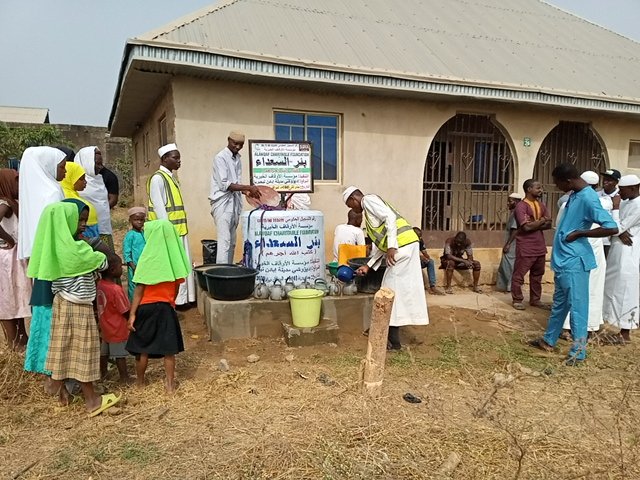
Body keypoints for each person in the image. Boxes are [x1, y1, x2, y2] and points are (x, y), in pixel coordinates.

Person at [27, 201, 120, 415]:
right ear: (66, 223)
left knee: (63, 347)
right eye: (79, 220)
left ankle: (58, 387)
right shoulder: (78, 250)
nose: (83, 225)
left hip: (61, 303)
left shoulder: (53, 248)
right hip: (79, 306)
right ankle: (92, 401)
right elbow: (104, 263)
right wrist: (94, 248)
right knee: (84, 351)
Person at [528, 164, 617, 365]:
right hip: (564, 261)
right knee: (560, 304)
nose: (557, 187)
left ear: (567, 181)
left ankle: (578, 351)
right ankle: (548, 340)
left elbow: (611, 227)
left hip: (575, 261)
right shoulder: (575, 195)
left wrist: (580, 233)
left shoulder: (588, 198)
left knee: (578, 307)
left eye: (558, 183)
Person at [342, 186, 428, 350]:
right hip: (404, 246)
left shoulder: (368, 200)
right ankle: (391, 336)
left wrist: (392, 247)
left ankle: (392, 339)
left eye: (350, 205)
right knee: (395, 291)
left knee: (389, 291)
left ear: (354, 199)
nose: (351, 209)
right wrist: (368, 266)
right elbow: (382, 244)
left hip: (402, 247)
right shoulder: (369, 213)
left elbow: (390, 217)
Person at [126, 219, 190, 393]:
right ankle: (169, 385)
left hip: (145, 308)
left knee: (142, 348)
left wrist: (132, 314)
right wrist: (170, 303)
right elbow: (176, 288)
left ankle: (140, 382)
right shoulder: (173, 260)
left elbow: (139, 289)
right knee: (169, 349)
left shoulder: (147, 259)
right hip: (165, 308)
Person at [560, 171, 611, 338]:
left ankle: (567, 327)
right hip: (592, 252)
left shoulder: (570, 202)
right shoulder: (604, 203)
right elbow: (612, 227)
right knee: (593, 289)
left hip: (575, 251)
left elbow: (560, 227)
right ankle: (589, 327)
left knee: (572, 289)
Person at [147, 143, 195, 307]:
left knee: (183, 263)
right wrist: (167, 232)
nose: (179, 161)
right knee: (175, 265)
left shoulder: (170, 178)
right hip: (170, 232)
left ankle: (185, 298)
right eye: (175, 158)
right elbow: (160, 208)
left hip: (179, 230)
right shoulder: (158, 179)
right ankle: (178, 300)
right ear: (164, 159)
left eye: (179, 158)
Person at [209, 131, 261, 264]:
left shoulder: (237, 158)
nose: (238, 147)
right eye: (235, 143)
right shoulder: (220, 158)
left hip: (234, 203)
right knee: (224, 241)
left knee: (232, 242)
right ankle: (221, 272)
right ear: (228, 140)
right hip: (222, 203)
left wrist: (247, 192)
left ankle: (229, 270)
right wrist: (248, 187)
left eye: (241, 145)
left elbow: (236, 183)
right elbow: (224, 184)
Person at [602, 174, 640, 343]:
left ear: (633, 188)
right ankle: (608, 322)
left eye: (622, 190)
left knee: (626, 289)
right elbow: (612, 225)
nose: (619, 193)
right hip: (617, 250)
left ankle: (625, 332)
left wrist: (617, 226)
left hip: (629, 252)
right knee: (611, 288)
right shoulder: (624, 202)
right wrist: (618, 231)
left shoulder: (638, 205)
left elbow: (618, 227)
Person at [0, 169, 31, 351]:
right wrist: (9, 239)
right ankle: (13, 342)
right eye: (16, 181)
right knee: (8, 298)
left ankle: (21, 337)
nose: (20, 185)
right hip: (7, 258)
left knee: (17, 297)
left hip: (14, 257)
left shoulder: (13, 202)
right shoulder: (5, 203)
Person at [17, 146, 66, 260]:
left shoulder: (30, 194)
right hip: (51, 253)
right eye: (62, 167)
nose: (65, 171)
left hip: (35, 253)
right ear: (48, 167)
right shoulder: (53, 193)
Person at [511, 179, 552, 310]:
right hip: (526, 246)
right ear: (529, 189)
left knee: (537, 275)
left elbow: (549, 224)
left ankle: (535, 299)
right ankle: (517, 299)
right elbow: (526, 227)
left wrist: (535, 223)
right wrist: (542, 220)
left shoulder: (541, 204)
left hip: (540, 246)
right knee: (519, 275)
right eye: (538, 188)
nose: (541, 190)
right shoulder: (521, 206)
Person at [97, 253, 131, 383]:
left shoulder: (100, 285)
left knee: (104, 352)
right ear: (112, 270)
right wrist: (132, 319)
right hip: (117, 327)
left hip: (105, 326)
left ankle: (103, 373)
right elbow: (125, 310)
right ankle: (124, 377)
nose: (121, 269)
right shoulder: (116, 289)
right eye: (120, 266)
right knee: (120, 355)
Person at [75, 146, 114, 251]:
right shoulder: (78, 182)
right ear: (86, 162)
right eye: (97, 164)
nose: (100, 167)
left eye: (101, 164)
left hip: (104, 228)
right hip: (87, 229)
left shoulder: (99, 179)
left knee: (107, 255)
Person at [59, 161, 100, 238]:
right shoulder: (65, 197)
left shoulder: (74, 194)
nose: (85, 182)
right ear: (70, 178)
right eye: (81, 179)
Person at [496, 193, 522, 292]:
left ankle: (510, 286)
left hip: (513, 244)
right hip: (512, 242)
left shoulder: (516, 213)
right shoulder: (514, 213)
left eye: (510, 201)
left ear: (516, 202)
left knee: (509, 264)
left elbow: (515, 230)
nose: (508, 203)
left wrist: (508, 244)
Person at [123, 207, 147, 302]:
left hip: (144, 266)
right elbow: (126, 253)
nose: (139, 222)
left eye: (141, 220)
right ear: (130, 220)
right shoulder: (130, 235)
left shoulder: (144, 233)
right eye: (136, 220)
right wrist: (133, 266)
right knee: (134, 287)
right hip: (134, 267)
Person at [413, 226, 444, 295]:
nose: (420, 238)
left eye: (420, 236)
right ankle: (418, 288)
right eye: (418, 236)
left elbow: (424, 252)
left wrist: (427, 258)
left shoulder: (420, 241)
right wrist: (419, 257)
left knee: (430, 262)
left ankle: (433, 286)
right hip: (409, 263)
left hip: (417, 261)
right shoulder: (407, 242)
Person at [598, 168, 622, 257]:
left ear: (616, 182)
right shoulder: (596, 195)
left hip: (612, 240)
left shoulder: (621, 197)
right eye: (604, 179)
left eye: (609, 180)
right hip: (597, 238)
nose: (605, 182)